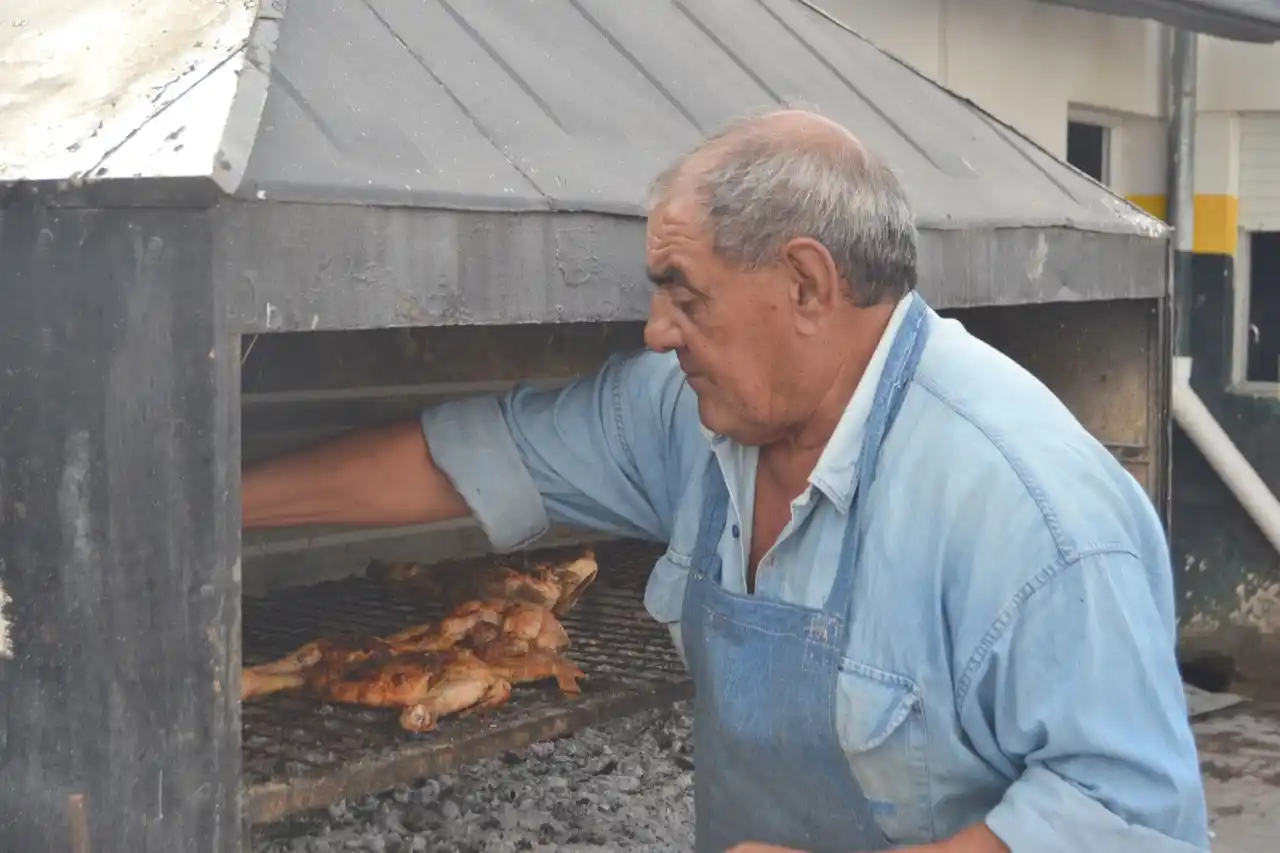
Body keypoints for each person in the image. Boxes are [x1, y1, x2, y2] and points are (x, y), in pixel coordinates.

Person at [242, 110, 1210, 853]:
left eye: (683, 293)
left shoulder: (1024, 504)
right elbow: (470, 455)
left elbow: (1128, 817)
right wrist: (207, 508)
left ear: (804, 285)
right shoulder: (689, 414)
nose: (657, 331)